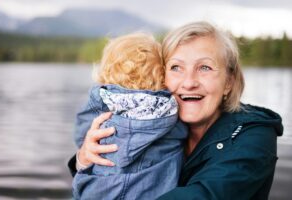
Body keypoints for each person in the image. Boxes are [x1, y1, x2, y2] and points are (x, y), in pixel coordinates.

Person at [68, 21, 283, 199]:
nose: (189, 82)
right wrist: (84, 159)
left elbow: (206, 195)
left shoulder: (254, 136)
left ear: (229, 81)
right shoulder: (161, 124)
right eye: (176, 67)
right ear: (160, 77)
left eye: (205, 67)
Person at [72, 33, 188, 200]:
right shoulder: (172, 110)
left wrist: (83, 151)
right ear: (162, 74)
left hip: (100, 191)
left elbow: (82, 135)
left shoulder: (100, 102)